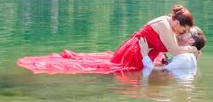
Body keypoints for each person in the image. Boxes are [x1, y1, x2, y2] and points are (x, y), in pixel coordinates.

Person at [17, 5, 198, 74]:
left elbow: (171, 48)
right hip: (134, 51)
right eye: (182, 28)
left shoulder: (168, 24)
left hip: (135, 49)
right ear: (176, 21)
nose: (180, 32)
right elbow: (174, 50)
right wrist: (192, 49)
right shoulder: (166, 25)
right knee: (114, 69)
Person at [139, 25, 206, 79]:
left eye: (187, 31)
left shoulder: (185, 57)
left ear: (191, 40)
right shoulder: (187, 56)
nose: (182, 31)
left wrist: (144, 55)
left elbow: (154, 72)